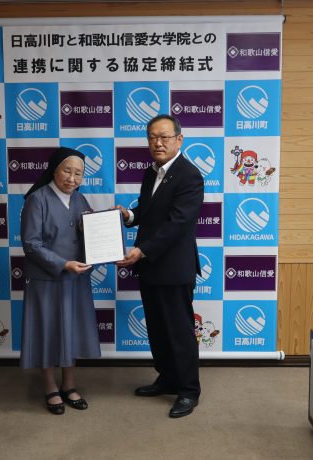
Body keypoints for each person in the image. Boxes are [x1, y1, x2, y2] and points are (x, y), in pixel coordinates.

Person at [116, 114, 204, 418]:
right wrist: (129, 216)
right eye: (152, 137)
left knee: (179, 332)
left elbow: (177, 223)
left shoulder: (189, 175)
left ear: (179, 139)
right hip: (150, 266)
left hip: (173, 268)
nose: (158, 143)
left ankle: (189, 390)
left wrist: (142, 250)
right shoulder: (151, 172)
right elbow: (149, 211)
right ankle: (167, 378)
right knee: (157, 330)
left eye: (164, 137)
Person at [20, 146, 101, 415]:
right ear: (54, 170)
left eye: (78, 173)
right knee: (47, 331)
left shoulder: (80, 199)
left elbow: (91, 235)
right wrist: (63, 264)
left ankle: (69, 384)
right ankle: (50, 386)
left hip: (76, 280)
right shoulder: (37, 199)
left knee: (71, 331)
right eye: (67, 171)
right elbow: (31, 244)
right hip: (47, 280)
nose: (72, 178)